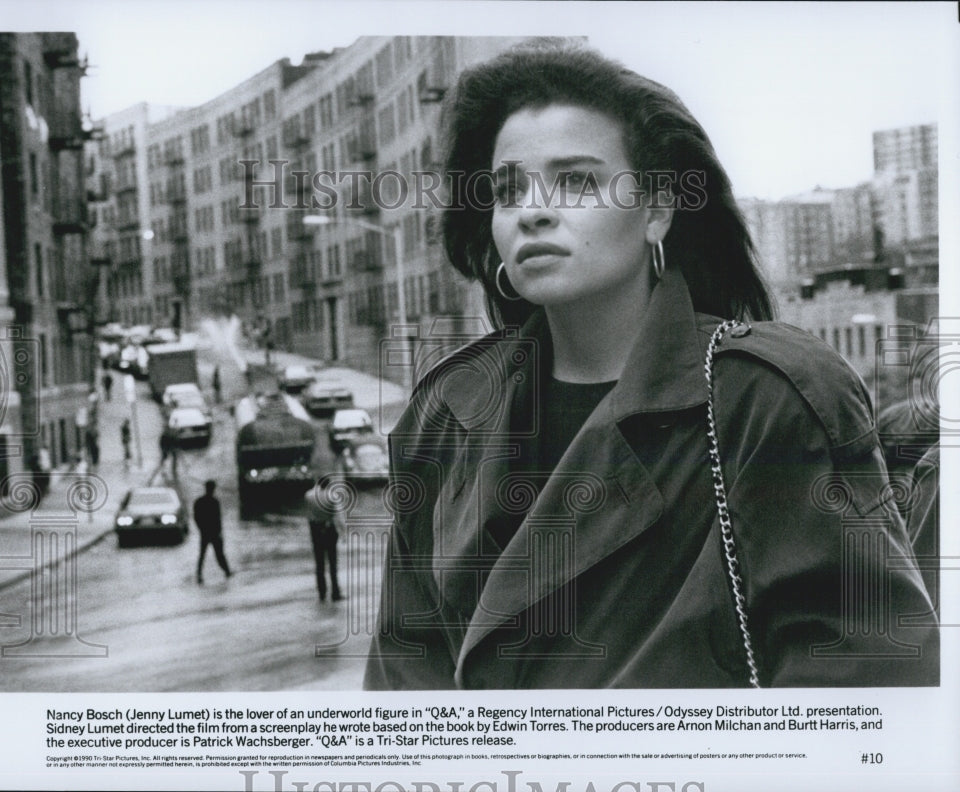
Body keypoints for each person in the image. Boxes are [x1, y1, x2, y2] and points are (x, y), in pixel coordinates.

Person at [364, 41, 938, 690]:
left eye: (576, 180)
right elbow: (402, 687)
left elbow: (863, 687)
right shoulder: (449, 411)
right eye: (507, 188)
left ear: (658, 208)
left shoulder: (768, 397)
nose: (533, 210)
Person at [304, 476, 345, 602]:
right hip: (329, 530)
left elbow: (308, 513)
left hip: (315, 530)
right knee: (332, 563)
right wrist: (343, 532)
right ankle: (335, 593)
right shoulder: (332, 496)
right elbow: (338, 516)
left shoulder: (309, 495)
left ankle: (322, 593)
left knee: (319, 563)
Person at [193, 480, 232, 584]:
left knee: (203, 555)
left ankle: (199, 575)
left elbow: (196, 518)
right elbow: (217, 519)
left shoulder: (200, 501)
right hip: (212, 533)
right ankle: (227, 571)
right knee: (218, 554)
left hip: (206, 533)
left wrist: (201, 529)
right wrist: (219, 532)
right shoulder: (214, 502)